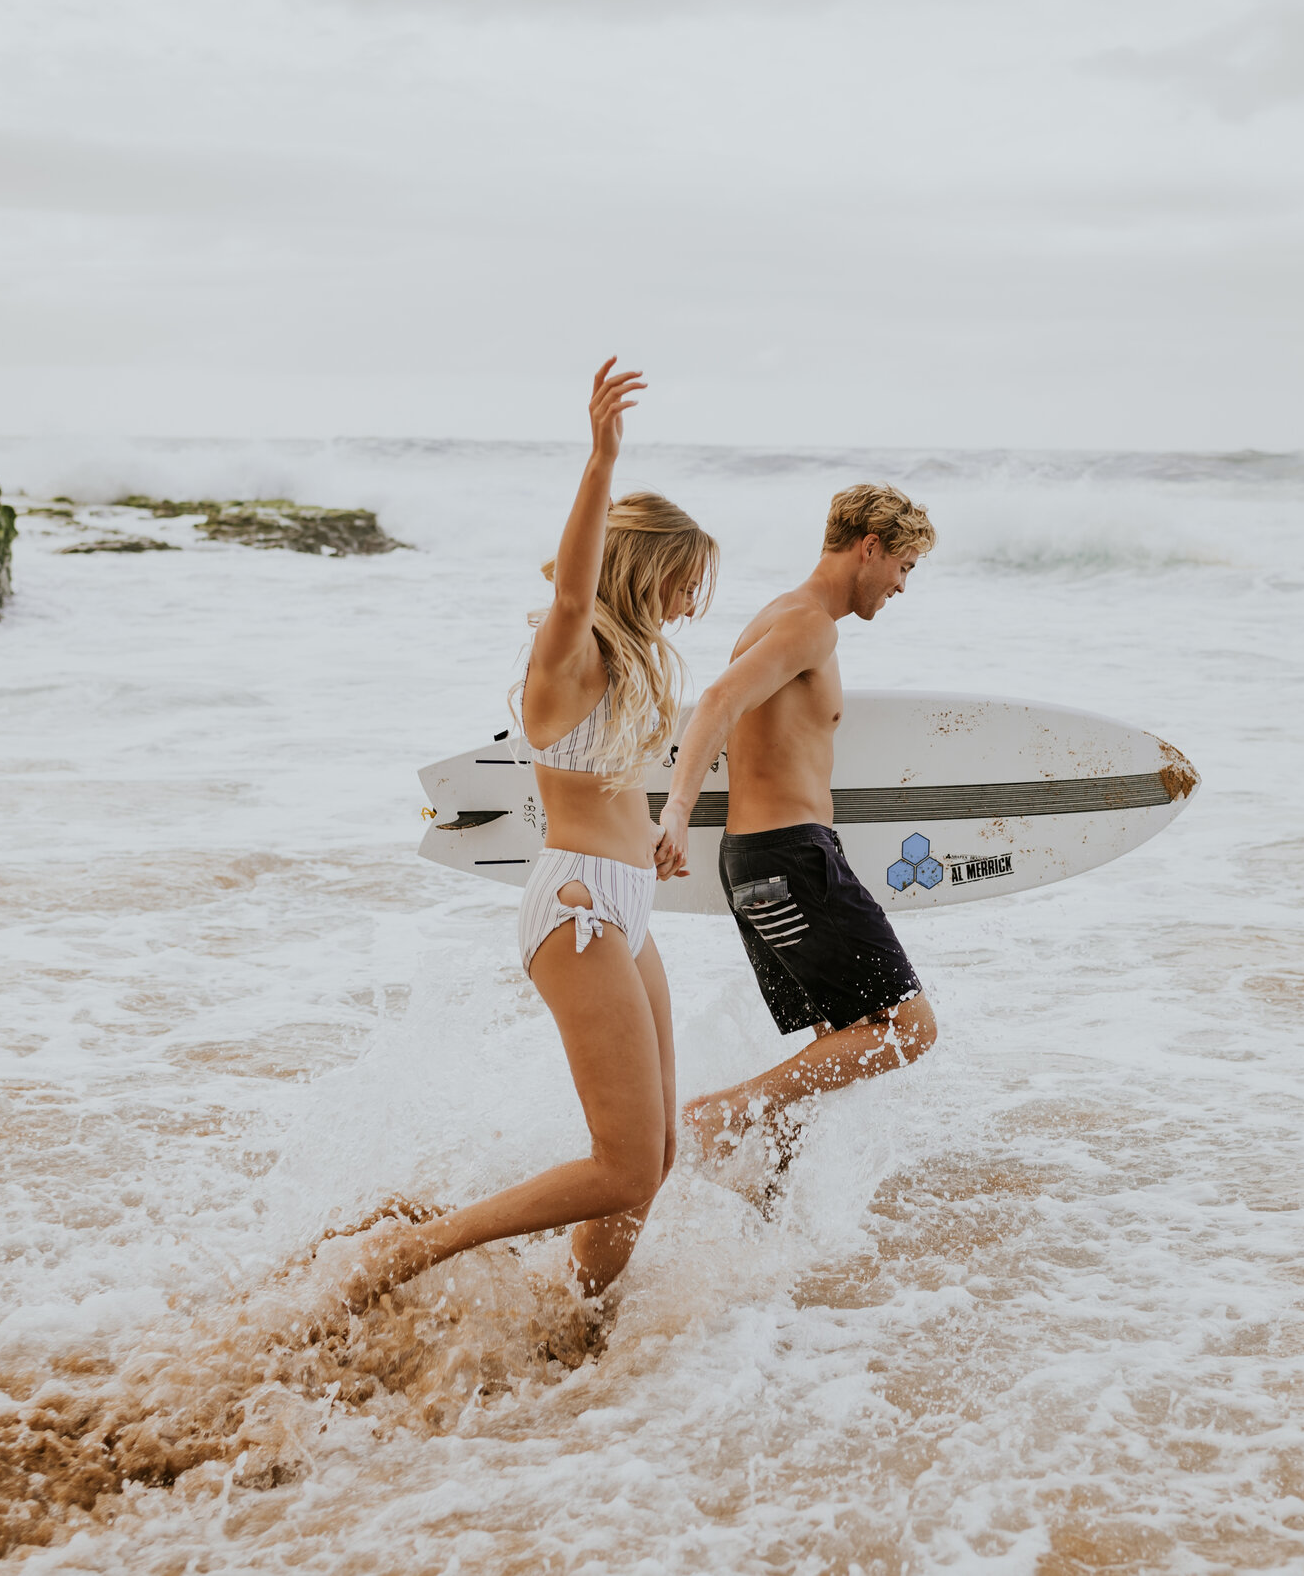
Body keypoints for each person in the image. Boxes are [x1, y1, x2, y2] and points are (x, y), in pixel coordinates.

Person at [332, 359, 717, 1311]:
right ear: (646, 566)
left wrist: (661, 831)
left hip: (625, 902)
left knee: (655, 1156)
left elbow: (616, 785)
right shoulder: (570, 649)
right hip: (577, 907)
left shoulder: (626, 672)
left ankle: (575, 1312)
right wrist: (599, 461)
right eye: (683, 581)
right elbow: (579, 595)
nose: (689, 603)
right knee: (622, 1165)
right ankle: (415, 1250)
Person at [653, 483, 940, 1169]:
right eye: (903, 566)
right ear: (869, 548)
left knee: (835, 1045)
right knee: (908, 1028)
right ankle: (717, 1115)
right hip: (792, 859)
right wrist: (675, 809)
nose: (901, 586)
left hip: (757, 864)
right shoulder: (811, 623)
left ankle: (767, 1211)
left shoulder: (780, 617)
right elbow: (717, 701)